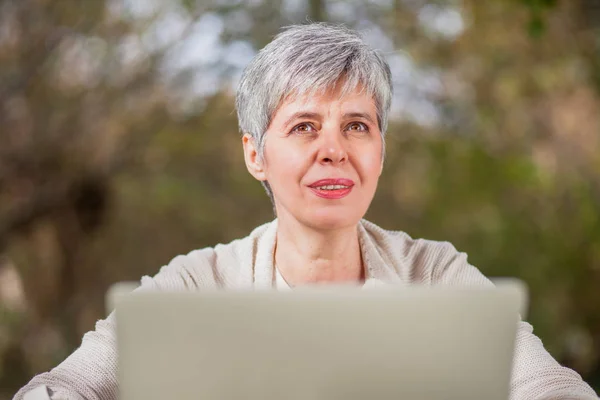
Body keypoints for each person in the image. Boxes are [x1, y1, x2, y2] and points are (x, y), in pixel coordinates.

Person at [14, 23, 598, 400]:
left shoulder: (437, 275)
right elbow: (64, 384)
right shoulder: (195, 284)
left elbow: (549, 385)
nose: (334, 149)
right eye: (304, 126)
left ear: (381, 150)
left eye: (356, 126)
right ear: (255, 155)